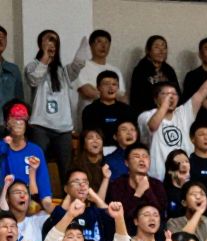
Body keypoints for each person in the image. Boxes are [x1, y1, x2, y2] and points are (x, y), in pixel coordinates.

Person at [140, 60, 207, 181]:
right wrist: (165, 106)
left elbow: (201, 93)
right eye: (165, 94)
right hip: (158, 178)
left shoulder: (183, 112)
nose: (171, 97)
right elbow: (153, 126)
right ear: (156, 99)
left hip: (186, 177)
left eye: (174, 94)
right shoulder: (146, 115)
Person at [25, 30, 88, 185]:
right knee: (36, 166)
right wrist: (45, 55)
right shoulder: (32, 66)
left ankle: (69, 202)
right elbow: (34, 79)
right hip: (40, 126)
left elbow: (77, 66)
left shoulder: (63, 71)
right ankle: (37, 199)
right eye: (48, 40)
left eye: (55, 41)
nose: (52, 44)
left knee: (66, 168)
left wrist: (83, 48)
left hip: (63, 129)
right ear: (41, 44)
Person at [129, 35, 179, 116]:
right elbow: (136, 99)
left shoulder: (169, 70)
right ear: (148, 50)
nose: (161, 51)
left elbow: (177, 93)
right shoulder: (140, 70)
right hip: (148, 114)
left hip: (169, 114)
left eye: (164, 47)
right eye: (157, 47)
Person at [81, 72, 133, 148]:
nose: (111, 87)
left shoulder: (126, 110)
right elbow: (88, 137)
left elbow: (132, 135)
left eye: (114, 84)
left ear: (118, 88)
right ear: (98, 87)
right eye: (106, 84)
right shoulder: (89, 110)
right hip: (98, 150)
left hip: (122, 150)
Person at [0, 26, 25, 108]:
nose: (0, 40)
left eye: (3, 38)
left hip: (8, 119)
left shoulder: (13, 69)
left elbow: (19, 100)